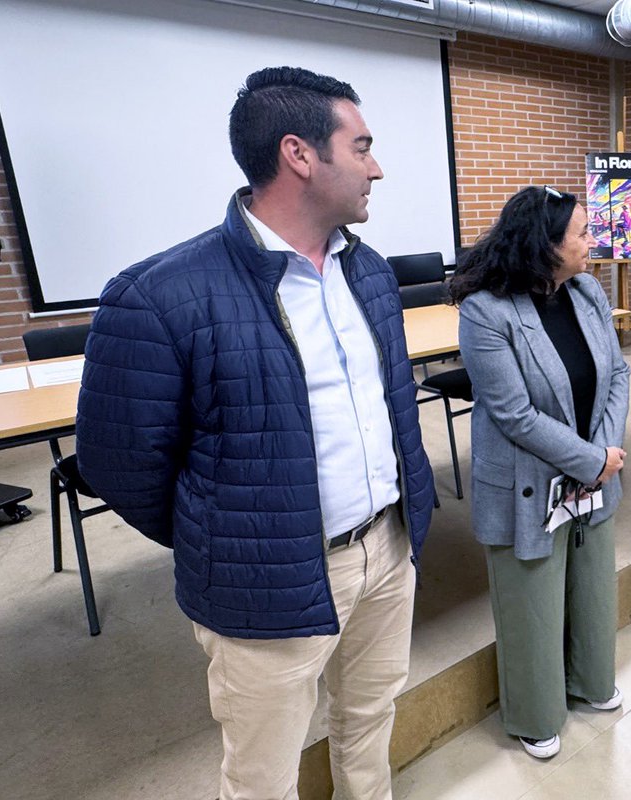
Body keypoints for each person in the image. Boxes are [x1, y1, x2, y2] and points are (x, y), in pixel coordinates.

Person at [75, 66, 435, 800]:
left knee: (369, 723)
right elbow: (119, 466)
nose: (378, 167)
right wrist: (230, 533)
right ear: (301, 156)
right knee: (262, 775)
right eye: (361, 146)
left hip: (389, 551)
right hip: (266, 581)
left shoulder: (367, 274)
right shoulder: (158, 296)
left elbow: (394, 410)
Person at [450, 186, 631, 759]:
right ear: (544, 245)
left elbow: (619, 372)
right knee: (531, 601)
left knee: (592, 585)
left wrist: (603, 453)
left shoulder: (587, 288)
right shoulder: (486, 310)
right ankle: (535, 713)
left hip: (593, 474)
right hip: (528, 479)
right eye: (580, 232)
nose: (591, 241)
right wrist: (590, 460)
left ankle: (588, 681)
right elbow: (514, 415)